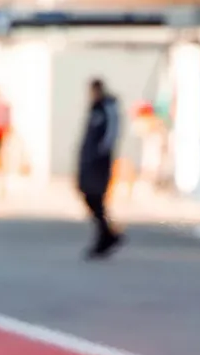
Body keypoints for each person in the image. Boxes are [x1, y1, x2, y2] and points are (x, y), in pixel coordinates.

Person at [77, 78, 123, 259]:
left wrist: (102, 151)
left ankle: (106, 235)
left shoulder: (107, 107)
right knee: (88, 194)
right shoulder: (94, 108)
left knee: (96, 195)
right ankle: (106, 232)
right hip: (90, 159)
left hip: (99, 161)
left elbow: (112, 132)